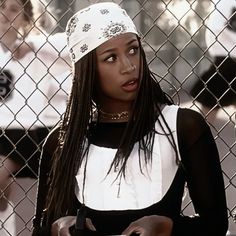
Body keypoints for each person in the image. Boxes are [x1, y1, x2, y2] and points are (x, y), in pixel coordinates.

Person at [32, 2, 228, 236]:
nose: (128, 66)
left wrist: (166, 226)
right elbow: (40, 230)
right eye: (111, 58)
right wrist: (55, 228)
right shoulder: (63, 141)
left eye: (133, 50)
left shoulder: (183, 127)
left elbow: (215, 225)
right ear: (87, 69)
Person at [0, 0, 70, 211]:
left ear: (25, 17)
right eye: (1, 7)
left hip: (24, 136)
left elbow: (72, 49)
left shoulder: (36, 50)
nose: (5, 13)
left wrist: (33, 45)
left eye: (13, 9)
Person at [190, 0, 236, 115]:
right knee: (209, 105)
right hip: (226, 58)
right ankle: (199, 131)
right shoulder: (225, 3)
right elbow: (216, 29)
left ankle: (199, 130)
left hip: (226, 55)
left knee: (209, 106)